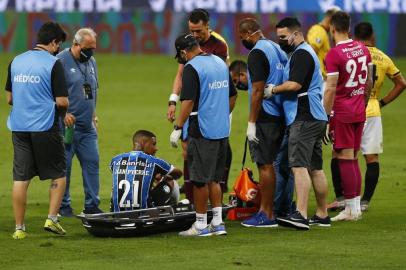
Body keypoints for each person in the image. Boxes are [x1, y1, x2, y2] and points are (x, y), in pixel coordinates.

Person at [328, 22, 406, 211]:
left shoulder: (350, 53)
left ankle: (341, 199)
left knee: (340, 155)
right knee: (371, 159)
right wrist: (381, 102)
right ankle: (364, 202)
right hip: (371, 110)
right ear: (373, 36)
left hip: (349, 108)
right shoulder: (382, 57)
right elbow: (401, 83)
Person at [5, 21, 69, 239]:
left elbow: (10, 98)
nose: (59, 49)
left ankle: (19, 229)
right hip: (45, 126)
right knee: (58, 174)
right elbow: (62, 101)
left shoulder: (16, 61)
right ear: (53, 42)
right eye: (59, 44)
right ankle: (52, 219)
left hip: (19, 127)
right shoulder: (54, 63)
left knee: (21, 179)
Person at [169, 33, 237, 236]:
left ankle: (200, 225)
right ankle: (217, 223)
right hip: (221, 130)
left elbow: (187, 102)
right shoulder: (219, 62)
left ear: (183, 52)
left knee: (199, 179)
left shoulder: (192, 67)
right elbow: (233, 95)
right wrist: (221, 115)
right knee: (215, 179)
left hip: (201, 129)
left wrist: (178, 127)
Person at [267, 17, 330, 230]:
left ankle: (300, 214)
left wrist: (273, 90)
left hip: (304, 116)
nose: (282, 41)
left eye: (284, 37)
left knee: (298, 166)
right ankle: (322, 214)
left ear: (296, 34)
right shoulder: (308, 52)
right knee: (316, 168)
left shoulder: (302, 54)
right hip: (317, 116)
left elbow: (294, 84)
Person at [166, 8, 231, 201]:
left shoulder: (219, 46)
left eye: (198, 31)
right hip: (191, 106)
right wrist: (172, 100)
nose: (195, 35)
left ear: (207, 26)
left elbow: (219, 81)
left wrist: (218, 111)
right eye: (192, 31)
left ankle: (205, 204)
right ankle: (194, 198)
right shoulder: (189, 45)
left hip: (212, 107)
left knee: (210, 155)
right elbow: (180, 74)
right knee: (189, 151)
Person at [233, 18, 289, 229]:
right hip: (279, 112)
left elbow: (257, 89)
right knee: (275, 163)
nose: (242, 42)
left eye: (241, 38)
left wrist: (251, 122)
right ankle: (277, 208)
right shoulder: (276, 48)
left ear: (248, 34)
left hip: (265, 116)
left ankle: (266, 213)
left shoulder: (256, 53)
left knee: (264, 164)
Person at [324, 12, 374, 221]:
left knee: (345, 159)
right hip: (358, 110)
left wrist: (325, 117)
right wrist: (361, 104)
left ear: (332, 28)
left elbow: (331, 88)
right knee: (352, 158)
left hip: (342, 111)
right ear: (349, 26)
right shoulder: (363, 49)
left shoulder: (334, 54)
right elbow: (370, 81)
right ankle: (355, 207)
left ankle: (351, 210)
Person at [229, 60, 295, 217]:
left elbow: (258, 98)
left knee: (271, 166)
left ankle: (271, 210)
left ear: (243, 74)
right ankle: (283, 207)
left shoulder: (257, 84)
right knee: (285, 167)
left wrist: (251, 123)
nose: (236, 86)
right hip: (287, 119)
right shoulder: (274, 71)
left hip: (271, 122)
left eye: (236, 81)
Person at [56, 28, 102, 216]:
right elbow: (48, 93)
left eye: (93, 48)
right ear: (75, 44)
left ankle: (91, 205)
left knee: (92, 163)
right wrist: (62, 113)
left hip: (87, 128)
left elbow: (93, 90)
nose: (90, 52)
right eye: (87, 48)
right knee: (64, 168)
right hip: (65, 127)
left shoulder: (91, 62)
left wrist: (93, 115)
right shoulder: (59, 62)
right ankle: (63, 206)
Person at [110, 130, 182, 212]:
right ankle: (172, 211)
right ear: (142, 143)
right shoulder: (154, 161)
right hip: (145, 216)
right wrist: (161, 175)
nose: (156, 148)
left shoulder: (115, 160)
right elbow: (178, 173)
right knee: (171, 181)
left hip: (117, 217)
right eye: (153, 144)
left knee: (116, 184)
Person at [307, 6, 341, 80]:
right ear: (330, 18)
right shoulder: (319, 30)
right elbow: (310, 52)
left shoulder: (324, 32)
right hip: (319, 79)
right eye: (337, 20)